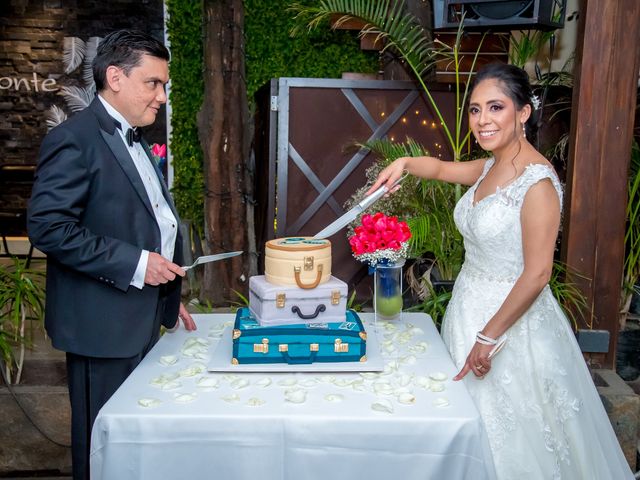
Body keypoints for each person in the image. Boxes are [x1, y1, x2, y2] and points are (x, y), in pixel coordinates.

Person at [367, 63, 633, 479]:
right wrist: (403, 163)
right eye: (475, 110)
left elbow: (538, 274)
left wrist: (488, 337)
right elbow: (440, 168)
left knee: (511, 442)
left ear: (523, 112)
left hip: (511, 330)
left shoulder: (537, 184)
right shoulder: (490, 166)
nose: (482, 120)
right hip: (465, 310)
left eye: (496, 107)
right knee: (464, 430)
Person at [27, 30, 197, 480]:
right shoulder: (75, 138)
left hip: (140, 315)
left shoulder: (135, 137)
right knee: (103, 449)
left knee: (133, 444)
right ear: (115, 77)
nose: (161, 96)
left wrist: (164, 290)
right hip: (100, 326)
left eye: (164, 85)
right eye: (153, 83)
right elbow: (49, 227)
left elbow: (148, 219)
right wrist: (140, 264)